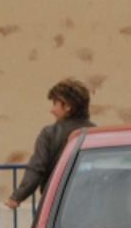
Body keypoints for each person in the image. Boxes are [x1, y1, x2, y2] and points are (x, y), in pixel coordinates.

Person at [6, 78, 94, 209]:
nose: (52, 110)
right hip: (88, 202)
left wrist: (17, 196)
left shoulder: (49, 134)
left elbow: (37, 168)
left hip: (56, 203)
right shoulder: (95, 133)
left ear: (68, 106)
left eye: (55, 104)